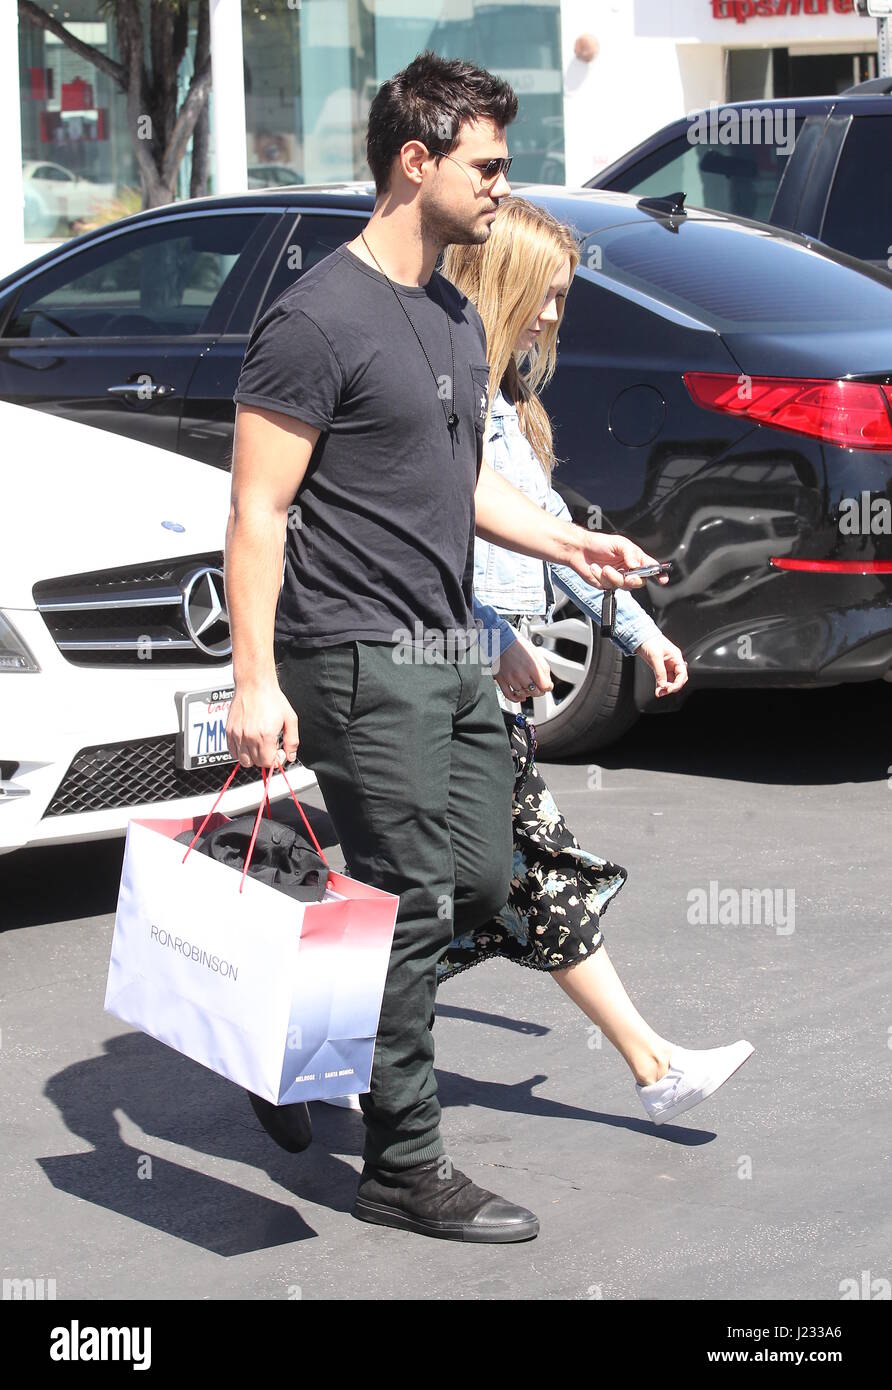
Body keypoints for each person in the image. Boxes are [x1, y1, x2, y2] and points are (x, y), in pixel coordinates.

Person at [224, 51, 665, 1244]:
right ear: (413, 163)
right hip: (355, 651)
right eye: (486, 166)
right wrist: (254, 680)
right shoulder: (314, 318)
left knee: (480, 876)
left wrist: (575, 546)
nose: (500, 187)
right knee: (416, 896)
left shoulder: (447, 312)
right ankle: (403, 1165)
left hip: (442, 644)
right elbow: (257, 510)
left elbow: (461, 482)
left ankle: (294, 1034)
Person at [436, 197, 754, 1124]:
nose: (551, 317)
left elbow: (556, 541)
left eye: (560, 299)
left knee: (510, 881)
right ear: (498, 284)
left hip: (489, 689)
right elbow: (415, 552)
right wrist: (487, 637)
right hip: (449, 680)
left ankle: (654, 1068)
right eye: (544, 295)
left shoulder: (505, 405)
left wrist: (640, 631)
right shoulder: (454, 407)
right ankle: (654, 1069)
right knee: (502, 877)